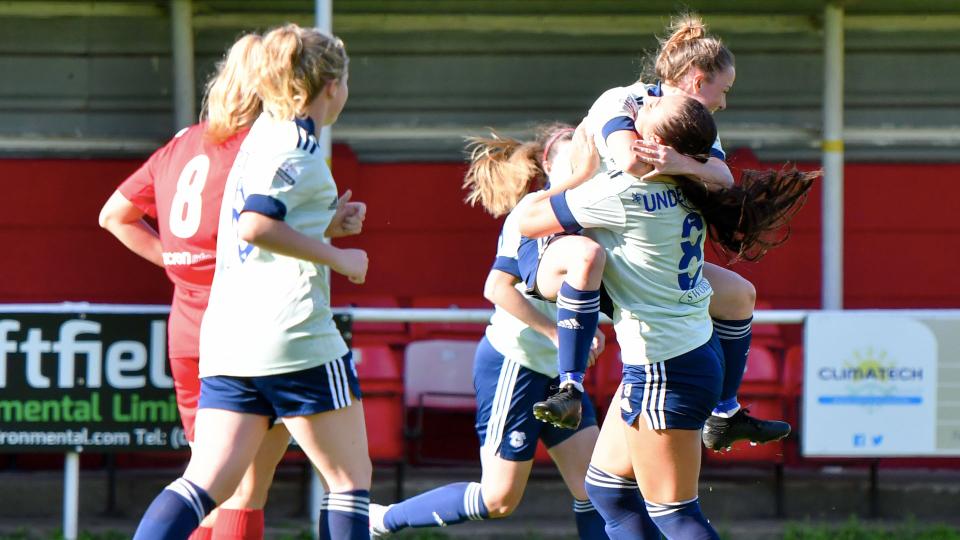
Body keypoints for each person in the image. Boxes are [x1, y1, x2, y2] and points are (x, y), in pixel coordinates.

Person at [519, 95, 816, 539]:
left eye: (638, 117)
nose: (632, 116)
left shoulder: (620, 192)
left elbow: (526, 221)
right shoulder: (696, 184)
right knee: (607, 493)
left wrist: (574, 173)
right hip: (687, 355)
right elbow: (714, 173)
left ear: (652, 142)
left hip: (663, 369)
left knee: (677, 515)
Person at [131, 24, 370, 540]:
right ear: (332, 87)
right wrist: (340, 255)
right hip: (294, 338)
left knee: (204, 484)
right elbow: (255, 225)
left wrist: (325, 223)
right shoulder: (296, 149)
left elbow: (263, 222)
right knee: (349, 482)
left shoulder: (260, 136)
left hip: (227, 338)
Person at [369, 125, 657, 539]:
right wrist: (556, 335)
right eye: (574, 159)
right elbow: (496, 288)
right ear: (548, 165)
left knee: (597, 489)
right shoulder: (534, 210)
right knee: (498, 499)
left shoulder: (592, 216)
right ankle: (381, 520)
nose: (586, 166)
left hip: (559, 378)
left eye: (591, 158)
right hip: (515, 364)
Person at [534, 14, 792, 453]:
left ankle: (725, 414)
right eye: (723, 91)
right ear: (696, 79)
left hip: (636, 252)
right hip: (568, 238)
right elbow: (632, 161)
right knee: (588, 261)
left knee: (739, 295)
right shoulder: (626, 100)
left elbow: (722, 176)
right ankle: (570, 387)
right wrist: (682, 165)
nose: (723, 104)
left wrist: (681, 163)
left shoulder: (683, 121)